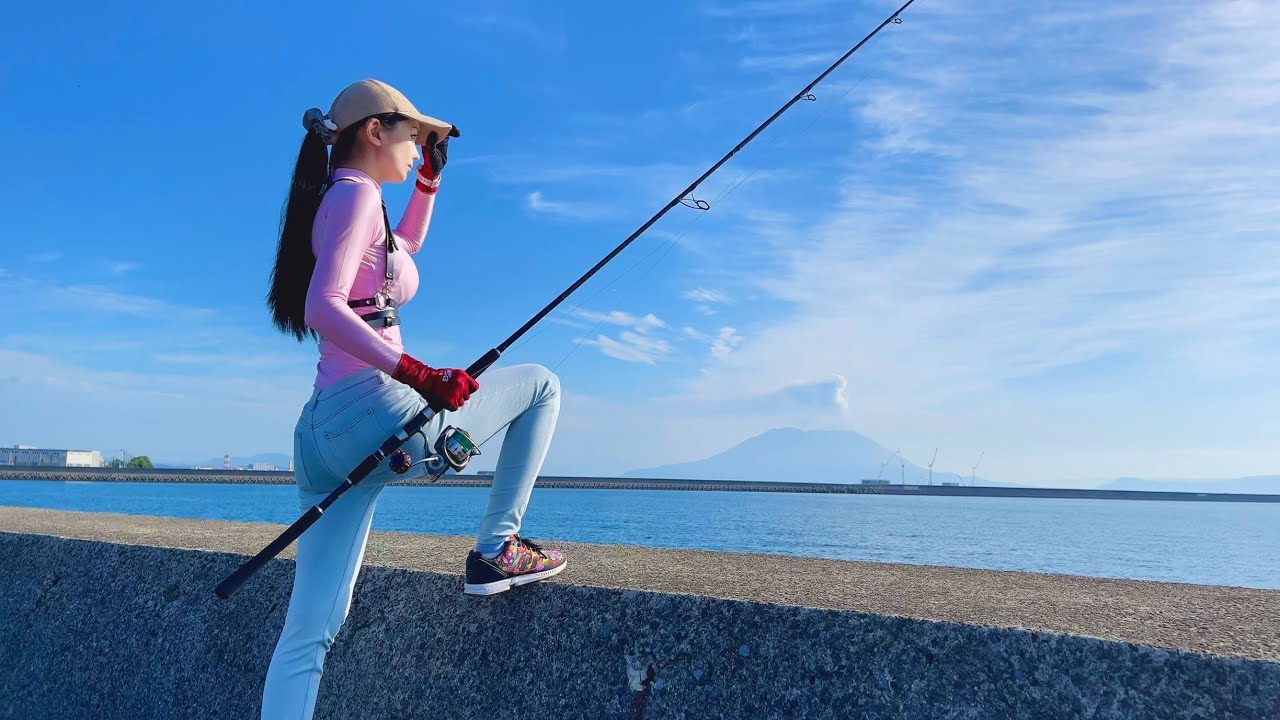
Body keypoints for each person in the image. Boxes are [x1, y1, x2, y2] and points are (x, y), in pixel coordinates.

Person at [261, 78, 565, 719]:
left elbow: (402, 253)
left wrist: (429, 180)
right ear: (376, 131)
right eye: (412, 135)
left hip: (320, 434)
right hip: (373, 411)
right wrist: (418, 374)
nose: (416, 146)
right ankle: (496, 549)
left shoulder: (345, 199)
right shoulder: (356, 196)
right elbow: (324, 307)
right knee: (541, 384)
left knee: (310, 630)